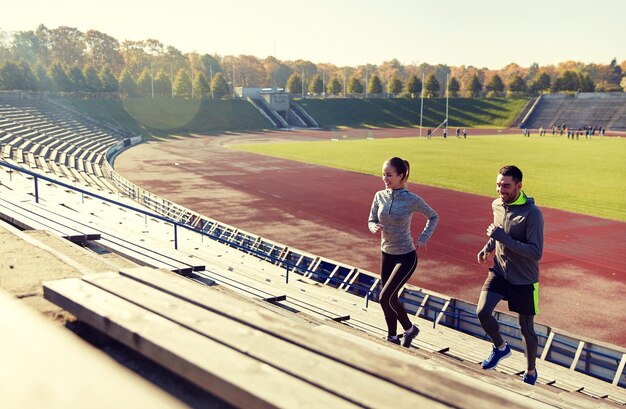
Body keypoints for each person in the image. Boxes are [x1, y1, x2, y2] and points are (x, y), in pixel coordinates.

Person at [476, 165, 544, 385]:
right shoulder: (497, 204)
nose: (500, 190)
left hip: (524, 279)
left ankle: (531, 371)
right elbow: (498, 231)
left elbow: (536, 252)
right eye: (498, 184)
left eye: (506, 185)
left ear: (519, 186)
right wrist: (488, 246)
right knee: (482, 312)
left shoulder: (533, 214)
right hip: (500, 271)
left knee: (526, 329)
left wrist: (501, 238)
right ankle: (500, 347)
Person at [368, 157, 439, 348]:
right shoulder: (379, 196)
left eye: (389, 175)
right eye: (383, 174)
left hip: (406, 256)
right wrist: (373, 226)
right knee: (390, 298)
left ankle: (409, 329)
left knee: (385, 297)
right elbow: (371, 219)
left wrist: (423, 238)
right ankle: (393, 336)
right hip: (386, 254)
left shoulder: (411, 199)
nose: (385, 178)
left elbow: (433, 216)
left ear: (401, 175)